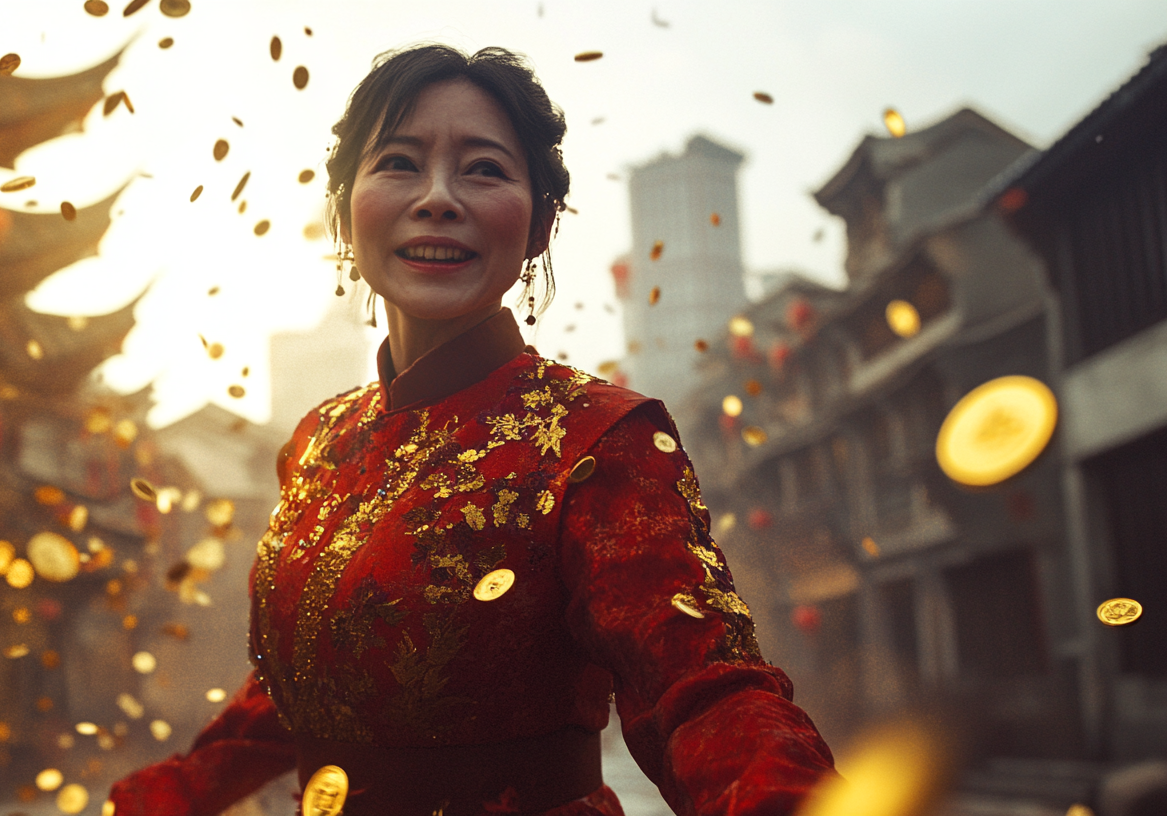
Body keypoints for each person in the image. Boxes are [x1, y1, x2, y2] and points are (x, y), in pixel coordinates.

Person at [110, 44, 836, 816]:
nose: (437, 198)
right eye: (398, 162)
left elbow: (705, 690)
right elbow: (312, 687)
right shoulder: (319, 439)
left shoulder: (598, 440)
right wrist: (172, 795)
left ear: (539, 226)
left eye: (484, 170)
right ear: (343, 210)